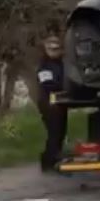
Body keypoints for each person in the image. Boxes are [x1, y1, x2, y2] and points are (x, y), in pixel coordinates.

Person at [36, 35, 66, 173]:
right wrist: (62, 86)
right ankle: (48, 162)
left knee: (60, 132)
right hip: (48, 103)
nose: (54, 51)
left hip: (60, 102)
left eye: (57, 49)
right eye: (51, 49)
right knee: (54, 132)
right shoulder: (44, 66)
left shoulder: (61, 64)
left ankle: (56, 158)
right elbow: (47, 84)